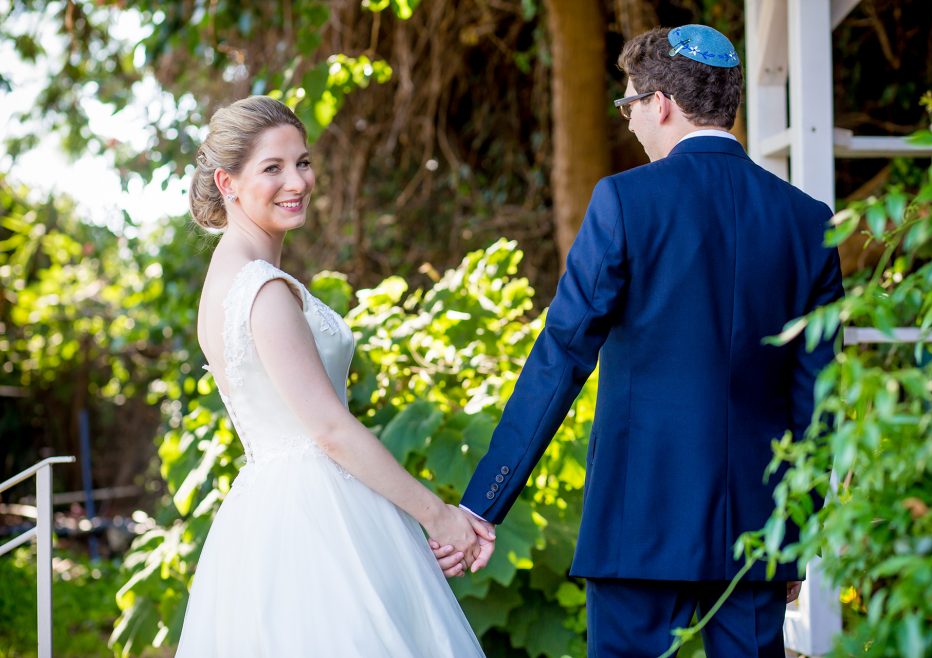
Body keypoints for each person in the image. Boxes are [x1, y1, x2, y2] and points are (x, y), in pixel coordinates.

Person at [457, 25, 844, 657]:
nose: (630, 121)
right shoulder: (806, 222)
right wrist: (790, 536)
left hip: (637, 525)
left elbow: (562, 356)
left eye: (629, 103)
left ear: (660, 103)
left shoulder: (625, 202)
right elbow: (819, 401)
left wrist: (484, 503)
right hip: (756, 533)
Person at [176, 95, 491, 657]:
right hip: (318, 520)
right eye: (272, 168)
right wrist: (439, 517)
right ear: (227, 183)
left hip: (273, 512)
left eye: (302, 162)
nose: (296, 181)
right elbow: (329, 429)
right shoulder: (262, 289)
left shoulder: (227, 280)